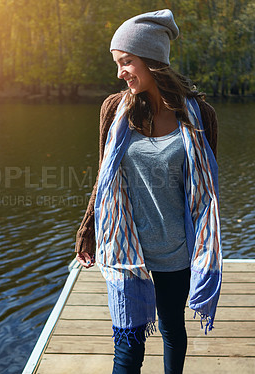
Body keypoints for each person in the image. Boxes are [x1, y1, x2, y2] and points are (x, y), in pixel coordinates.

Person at [75, 9, 222, 374]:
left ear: (153, 61)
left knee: (172, 327)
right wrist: (88, 229)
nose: (120, 72)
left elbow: (207, 194)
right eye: (117, 63)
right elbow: (104, 177)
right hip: (127, 248)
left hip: (176, 250)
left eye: (126, 62)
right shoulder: (115, 110)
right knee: (127, 348)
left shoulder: (199, 115)